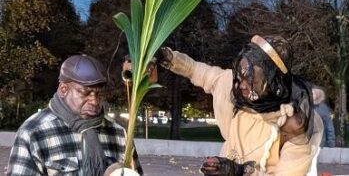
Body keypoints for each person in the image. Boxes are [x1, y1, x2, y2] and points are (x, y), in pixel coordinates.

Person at [160, 35, 323, 176]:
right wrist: (167, 57)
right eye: (241, 76)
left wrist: (239, 171)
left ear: (275, 83)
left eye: (252, 80)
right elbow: (195, 70)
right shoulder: (229, 84)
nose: (242, 85)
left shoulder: (295, 126)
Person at [7, 54, 143, 176]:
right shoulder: (34, 132)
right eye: (85, 93)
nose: (94, 101)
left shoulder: (119, 133)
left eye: (98, 93)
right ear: (63, 89)